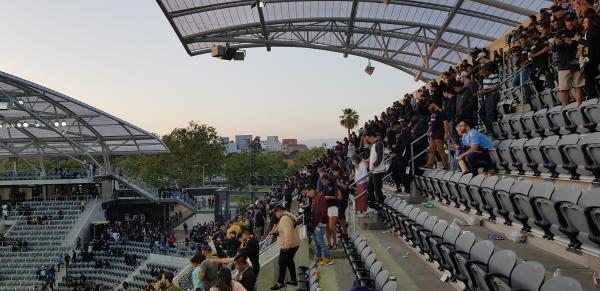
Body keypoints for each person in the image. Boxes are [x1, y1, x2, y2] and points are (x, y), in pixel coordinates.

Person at [554, 12, 586, 105]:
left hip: (576, 63)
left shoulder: (581, 30)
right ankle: (565, 111)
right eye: (567, 21)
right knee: (563, 89)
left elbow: (584, 46)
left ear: (576, 20)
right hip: (563, 64)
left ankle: (579, 108)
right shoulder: (560, 32)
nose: (569, 23)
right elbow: (554, 49)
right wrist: (556, 44)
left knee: (578, 86)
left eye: (571, 20)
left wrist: (572, 43)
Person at [270, 205, 300, 290]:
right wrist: (275, 232)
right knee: (289, 261)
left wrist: (287, 245)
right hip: (293, 244)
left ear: (279, 211)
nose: (275, 215)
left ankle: (280, 282)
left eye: (276, 213)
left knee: (282, 263)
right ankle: (293, 279)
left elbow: (288, 233)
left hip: (288, 246)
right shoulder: (287, 216)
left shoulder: (285, 219)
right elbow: (283, 230)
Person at [307, 185, 334, 266]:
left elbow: (324, 210)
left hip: (320, 223)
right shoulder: (314, 198)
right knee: (316, 241)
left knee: (320, 241)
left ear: (312, 190)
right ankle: (319, 257)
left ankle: (328, 258)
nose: (307, 194)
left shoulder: (320, 197)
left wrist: (321, 221)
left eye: (308, 192)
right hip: (315, 223)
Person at [365, 131, 385, 209]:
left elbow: (379, 158)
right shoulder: (374, 145)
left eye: (368, 138)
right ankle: (373, 202)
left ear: (371, 136)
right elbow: (369, 154)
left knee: (377, 188)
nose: (368, 140)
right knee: (370, 187)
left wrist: (373, 165)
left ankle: (381, 203)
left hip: (378, 170)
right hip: (373, 171)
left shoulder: (379, 144)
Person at [426, 101, 449, 169]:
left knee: (441, 151)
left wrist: (446, 133)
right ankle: (429, 165)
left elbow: (445, 123)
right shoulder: (433, 113)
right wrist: (430, 129)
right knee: (431, 150)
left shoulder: (441, 112)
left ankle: (446, 166)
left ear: (433, 103)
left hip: (439, 134)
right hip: (433, 134)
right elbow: (433, 122)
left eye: (429, 106)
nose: (429, 108)